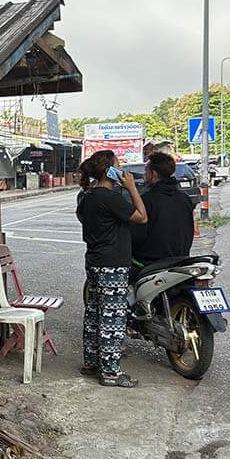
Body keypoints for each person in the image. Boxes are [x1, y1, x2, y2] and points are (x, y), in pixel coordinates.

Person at [76, 150, 147, 388]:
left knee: (94, 313)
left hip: (94, 262)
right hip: (113, 265)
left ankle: (91, 363)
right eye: (118, 165)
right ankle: (111, 373)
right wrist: (131, 188)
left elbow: (82, 218)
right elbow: (142, 217)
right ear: (109, 171)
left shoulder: (87, 197)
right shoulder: (110, 198)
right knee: (112, 318)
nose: (122, 169)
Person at [131, 152, 195, 267]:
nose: (144, 175)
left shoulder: (147, 200)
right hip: (182, 259)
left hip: (151, 263)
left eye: (146, 170)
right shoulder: (184, 198)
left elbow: (136, 236)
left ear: (153, 173)